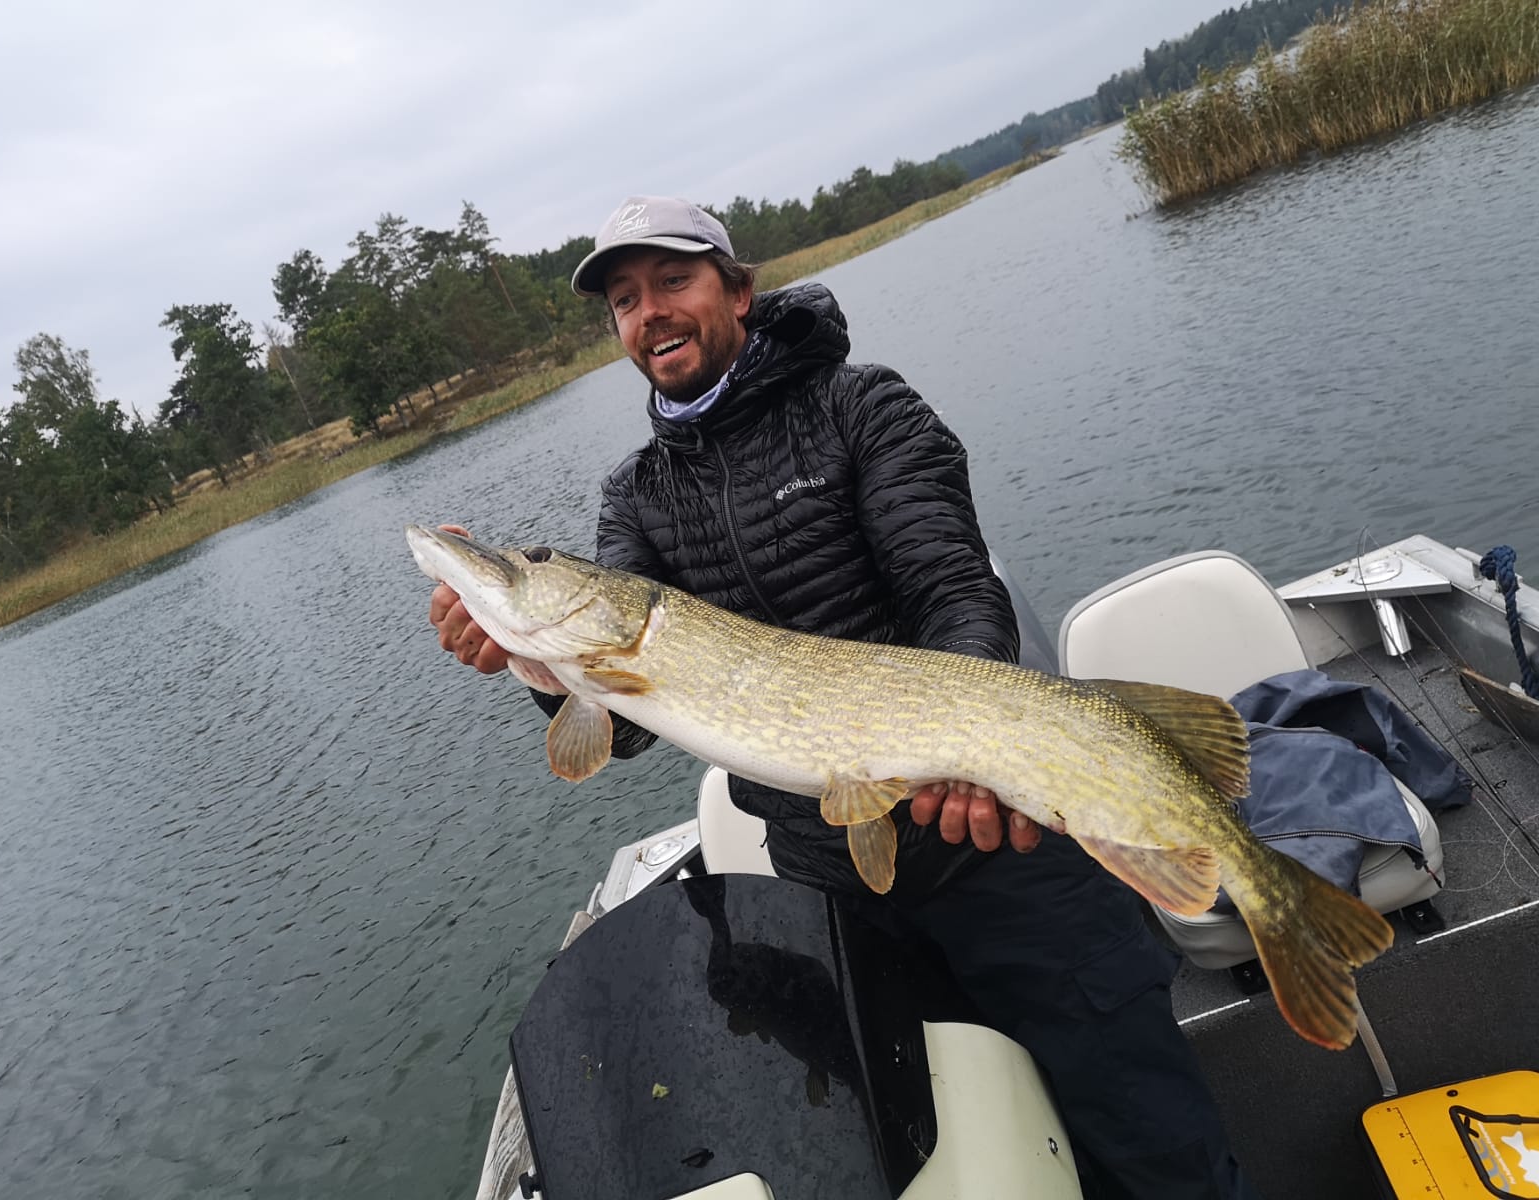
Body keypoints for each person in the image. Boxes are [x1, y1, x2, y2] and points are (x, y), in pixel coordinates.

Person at [429, 195, 1257, 1199]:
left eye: (672, 281)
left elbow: (955, 590)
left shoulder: (860, 408)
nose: (648, 313)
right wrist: (529, 662)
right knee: (955, 1160)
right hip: (832, 893)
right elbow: (629, 728)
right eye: (622, 299)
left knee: (1152, 1143)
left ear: (736, 291)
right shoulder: (635, 498)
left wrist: (965, 749)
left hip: (1000, 864)